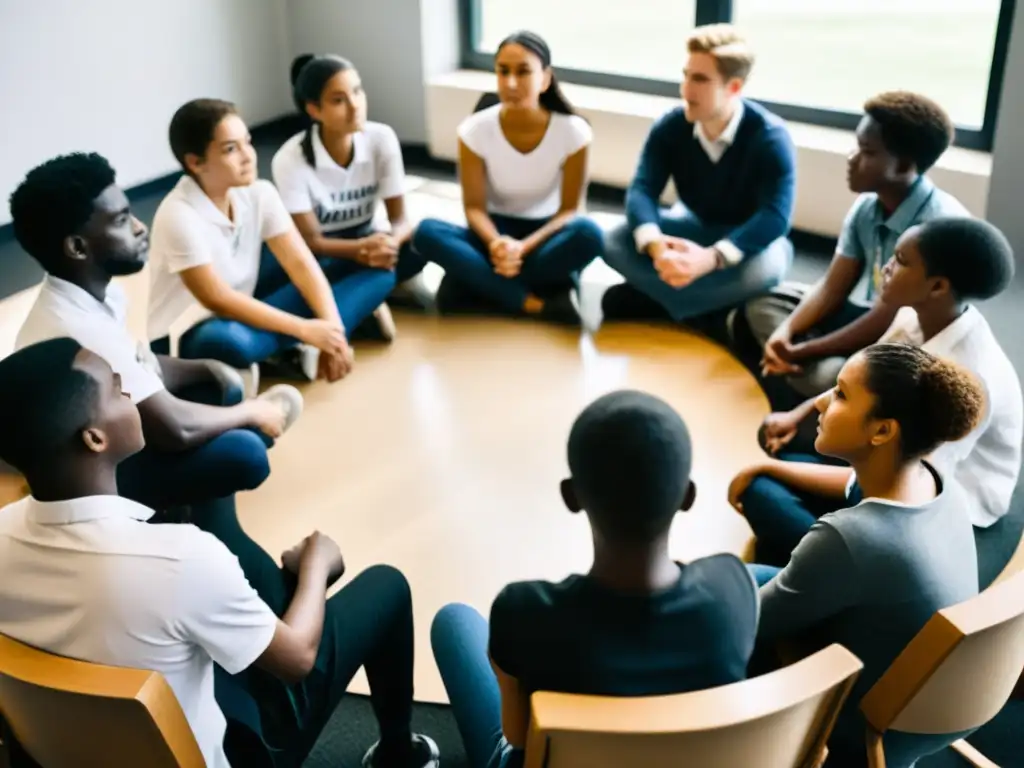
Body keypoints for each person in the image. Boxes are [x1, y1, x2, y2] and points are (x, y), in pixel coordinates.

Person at [0, 337, 440, 768]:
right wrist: (316, 568)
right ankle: (398, 753)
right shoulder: (177, 559)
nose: (132, 391)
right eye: (117, 388)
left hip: (70, 748)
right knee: (387, 587)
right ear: (95, 438)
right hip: (210, 754)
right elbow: (296, 660)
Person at [431, 390, 759, 768]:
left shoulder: (523, 612)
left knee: (453, 621)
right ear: (688, 496)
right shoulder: (732, 589)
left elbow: (518, 735)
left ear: (571, 497)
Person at [9, 152, 300, 511]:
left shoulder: (93, 293)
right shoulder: (80, 327)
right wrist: (254, 410)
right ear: (77, 247)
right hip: (87, 482)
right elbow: (176, 428)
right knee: (246, 452)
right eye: (120, 220)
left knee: (214, 382)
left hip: (100, 435)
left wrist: (209, 368)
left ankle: (189, 499)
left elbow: (138, 363)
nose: (139, 227)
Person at [743, 343, 983, 767]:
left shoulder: (850, 538)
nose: (819, 401)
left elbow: (752, 621)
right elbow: (852, 485)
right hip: (943, 701)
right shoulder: (936, 481)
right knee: (751, 575)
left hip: (867, 724)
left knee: (727, 599)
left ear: (883, 431)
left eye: (839, 394)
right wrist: (770, 468)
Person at [736, 217, 1019, 565]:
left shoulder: (967, 380)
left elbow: (912, 487)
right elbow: (860, 381)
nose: (885, 267)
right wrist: (800, 414)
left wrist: (769, 471)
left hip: (944, 498)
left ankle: (837, 564)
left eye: (900, 260)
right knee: (788, 440)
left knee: (762, 489)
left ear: (937, 287)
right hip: (897, 448)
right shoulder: (914, 316)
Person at [739, 91, 966, 407]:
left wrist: (806, 350)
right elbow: (833, 286)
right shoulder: (866, 207)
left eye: (866, 151)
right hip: (866, 313)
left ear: (902, 166)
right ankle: (827, 386)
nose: (852, 157)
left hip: (904, 338)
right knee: (764, 304)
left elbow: (889, 319)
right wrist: (786, 333)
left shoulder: (936, 226)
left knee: (858, 378)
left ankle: (821, 381)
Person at [147, 98, 387, 384]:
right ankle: (300, 343)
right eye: (230, 149)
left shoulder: (259, 192)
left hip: (244, 305)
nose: (248, 155)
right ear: (195, 162)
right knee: (226, 344)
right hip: (193, 333)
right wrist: (306, 330)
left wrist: (334, 333)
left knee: (378, 269)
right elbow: (218, 299)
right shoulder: (178, 215)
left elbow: (301, 264)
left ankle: (301, 344)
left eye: (247, 142)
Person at [601, 24, 795, 326]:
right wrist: (657, 249)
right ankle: (708, 311)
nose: (685, 89)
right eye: (686, 75)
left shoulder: (770, 137)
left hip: (737, 244)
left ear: (733, 87)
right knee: (610, 237)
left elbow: (775, 217)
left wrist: (709, 259)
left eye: (700, 79)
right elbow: (642, 189)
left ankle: (666, 302)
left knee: (770, 266)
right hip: (691, 228)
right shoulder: (671, 126)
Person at [411, 30, 604, 326]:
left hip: (544, 236)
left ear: (545, 78)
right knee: (425, 232)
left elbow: (570, 210)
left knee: (590, 234)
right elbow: (474, 208)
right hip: (492, 234)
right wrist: (498, 244)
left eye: (523, 72)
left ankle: (480, 285)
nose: (511, 83)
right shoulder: (474, 130)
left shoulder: (574, 132)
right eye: (503, 71)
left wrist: (522, 249)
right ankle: (533, 301)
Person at [272, 54, 428, 306]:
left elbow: (399, 220)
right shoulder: (289, 159)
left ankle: (354, 298)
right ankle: (364, 301)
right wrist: (359, 251)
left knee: (422, 244)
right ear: (314, 109)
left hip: (367, 238)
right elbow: (312, 242)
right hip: (324, 252)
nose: (355, 106)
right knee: (289, 268)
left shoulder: (381, 138)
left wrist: (389, 243)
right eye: (338, 100)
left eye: (357, 92)